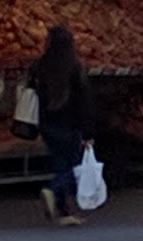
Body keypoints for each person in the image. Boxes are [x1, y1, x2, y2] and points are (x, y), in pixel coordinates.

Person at [30, 25, 95, 227]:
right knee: (75, 167)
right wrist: (87, 131)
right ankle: (52, 189)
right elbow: (82, 102)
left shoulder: (40, 66)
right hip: (70, 124)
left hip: (47, 124)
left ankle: (64, 212)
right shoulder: (74, 67)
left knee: (60, 164)